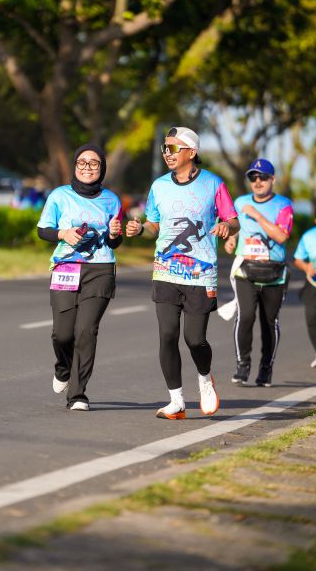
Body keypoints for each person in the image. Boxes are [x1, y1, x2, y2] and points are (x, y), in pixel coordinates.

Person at [126, 126, 239, 420]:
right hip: (165, 270)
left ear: (192, 152)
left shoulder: (213, 184)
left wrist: (226, 226)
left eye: (174, 148)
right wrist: (140, 229)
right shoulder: (159, 186)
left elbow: (233, 220)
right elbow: (154, 225)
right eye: (165, 148)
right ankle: (176, 401)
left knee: (194, 338)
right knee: (167, 335)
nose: (168, 153)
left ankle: (205, 379)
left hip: (200, 273)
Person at [37, 144, 122, 411]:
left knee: (86, 331)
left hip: (100, 269)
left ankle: (77, 394)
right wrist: (63, 234)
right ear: (75, 166)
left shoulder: (112, 200)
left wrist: (115, 233)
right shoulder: (59, 195)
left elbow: (114, 241)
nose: (87, 167)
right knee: (62, 334)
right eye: (82, 162)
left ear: (102, 168)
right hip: (66, 267)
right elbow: (43, 230)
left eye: (94, 163)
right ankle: (63, 368)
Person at [224, 158, 294, 387]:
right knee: (245, 317)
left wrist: (257, 216)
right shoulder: (240, 202)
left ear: (273, 179)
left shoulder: (283, 205)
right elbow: (235, 228)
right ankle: (242, 366)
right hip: (246, 270)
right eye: (253, 177)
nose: (258, 181)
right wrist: (231, 239)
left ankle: (265, 370)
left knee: (269, 322)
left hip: (274, 273)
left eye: (263, 177)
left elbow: (281, 236)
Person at [293, 200, 316, 368]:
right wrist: (306, 267)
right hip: (315, 284)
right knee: (312, 320)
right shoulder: (309, 237)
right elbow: (297, 259)